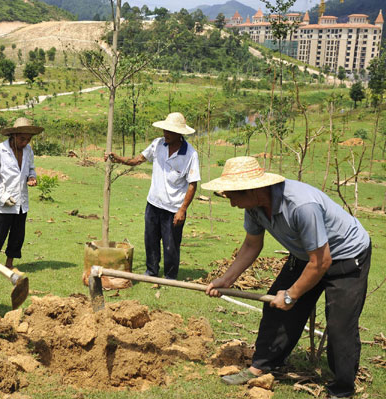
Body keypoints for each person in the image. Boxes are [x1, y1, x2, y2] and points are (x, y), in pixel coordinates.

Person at [202, 156, 371, 399]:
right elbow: (251, 244)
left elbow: (322, 262)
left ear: (255, 189)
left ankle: (342, 388)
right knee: (275, 307)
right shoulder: (254, 206)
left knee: (339, 326)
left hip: (346, 256)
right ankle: (262, 365)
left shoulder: (301, 205)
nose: (232, 203)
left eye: (234, 196)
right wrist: (226, 280)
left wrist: (292, 296)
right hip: (307, 253)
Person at [105, 112, 200, 280]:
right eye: (164, 130)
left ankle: (171, 277)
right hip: (153, 204)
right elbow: (138, 160)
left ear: (180, 134)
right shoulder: (157, 145)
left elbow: (192, 184)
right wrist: (118, 159)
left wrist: (182, 210)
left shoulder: (190, 155)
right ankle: (151, 271)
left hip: (173, 208)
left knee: (171, 246)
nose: (165, 134)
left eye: (169, 131)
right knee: (151, 241)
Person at [0, 117, 41, 271]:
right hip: (3, 203)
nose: (25, 142)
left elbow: (31, 168)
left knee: (17, 236)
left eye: (28, 139)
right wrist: (3, 196)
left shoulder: (28, 150)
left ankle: (9, 264)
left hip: (21, 202)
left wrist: (32, 177)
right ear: (14, 136)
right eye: (22, 139)